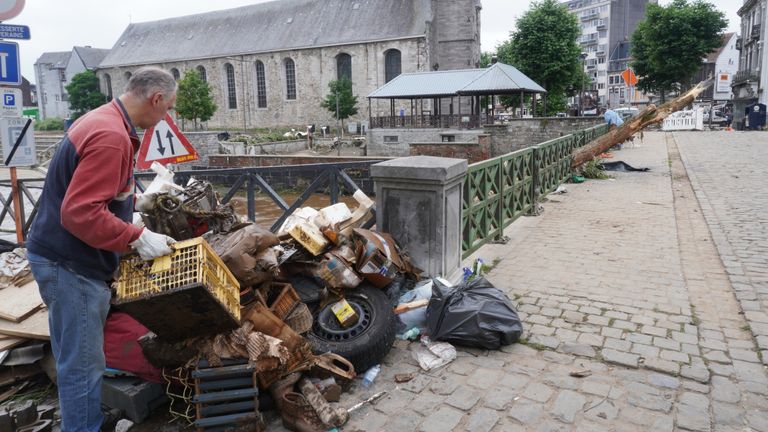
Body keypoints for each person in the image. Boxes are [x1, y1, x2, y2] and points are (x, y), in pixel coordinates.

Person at [26, 67, 178, 432]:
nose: (166, 116)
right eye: (168, 108)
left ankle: (85, 422)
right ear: (155, 99)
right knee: (82, 366)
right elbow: (80, 212)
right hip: (70, 264)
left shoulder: (104, 119)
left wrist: (138, 202)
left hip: (57, 255)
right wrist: (136, 238)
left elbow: (97, 194)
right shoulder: (112, 136)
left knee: (75, 360)